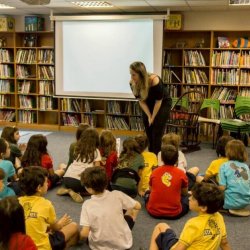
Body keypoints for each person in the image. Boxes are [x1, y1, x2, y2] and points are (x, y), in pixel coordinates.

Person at [149, 182, 231, 250]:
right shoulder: (219, 217)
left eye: (193, 198)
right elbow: (224, 243)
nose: (189, 198)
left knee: (160, 226)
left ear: (203, 207)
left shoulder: (193, 224)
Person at [79, 166, 141, 250]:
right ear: (106, 183)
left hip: (97, 247)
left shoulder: (87, 205)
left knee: (88, 227)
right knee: (131, 208)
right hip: (123, 245)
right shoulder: (117, 194)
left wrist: (79, 237)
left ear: (89, 189)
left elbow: (84, 234)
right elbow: (138, 206)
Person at [18, 166, 79, 250]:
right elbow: (56, 228)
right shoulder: (46, 204)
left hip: (21, 246)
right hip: (43, 247)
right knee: (74, 226)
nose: (47, 184)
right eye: (46, 182)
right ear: (39, 188)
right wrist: (60, 223)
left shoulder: (16, 202)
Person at [129, 61, 172, 154]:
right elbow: (141, 101)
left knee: (156, 130)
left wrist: (153, 117)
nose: (131, 77)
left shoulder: (154, 80)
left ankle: (157, 156)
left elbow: (158, 101)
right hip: (147, 104)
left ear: (141, 74)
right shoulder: (132, 83)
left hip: (162, 103)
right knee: (148, 128)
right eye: (130, 74)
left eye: (134, 75)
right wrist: (149, 116)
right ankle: (151, 153)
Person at [146, 144, 189, 219]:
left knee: (147, 194)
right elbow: (184, 193)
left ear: (161, 158)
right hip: (174, 213)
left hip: (154, 212)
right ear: (176, 159)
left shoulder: (155, 171)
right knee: (188, 198)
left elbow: (151, 189)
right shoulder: (181, 173)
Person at [59, 128, 101, 202]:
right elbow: (97, 169)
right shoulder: (96, 151)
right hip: (79, 182)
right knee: (96, 190)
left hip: (66, 179)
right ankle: (79, 192)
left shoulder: (77, 148)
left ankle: (68, 190)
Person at [219, 139, 250, 216]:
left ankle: (227, 206)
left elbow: (222, 187)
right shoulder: (246, 167)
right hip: (246, 202)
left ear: (227, 152)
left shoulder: (224, 166)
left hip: (230, 202)